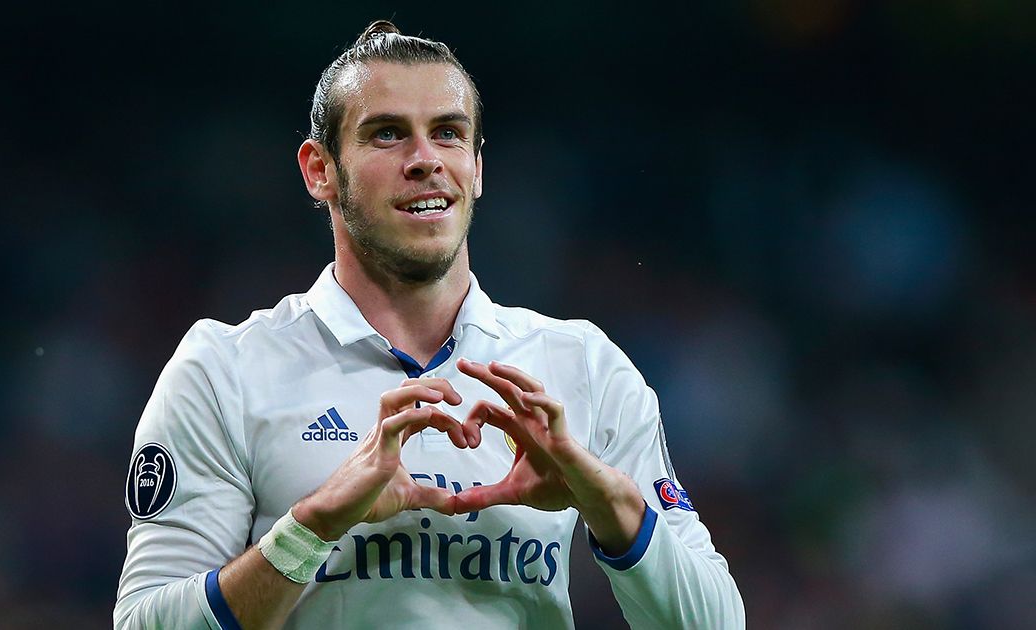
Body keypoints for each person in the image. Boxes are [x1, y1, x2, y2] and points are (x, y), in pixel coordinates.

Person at [115, 20, 744, 630]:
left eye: (447, 133)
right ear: (320, 170)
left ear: (476, 166)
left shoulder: (581, 365)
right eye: (387, 135)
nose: (424, 160)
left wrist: (610, 506)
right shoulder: (225, 370)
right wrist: (311, 528)